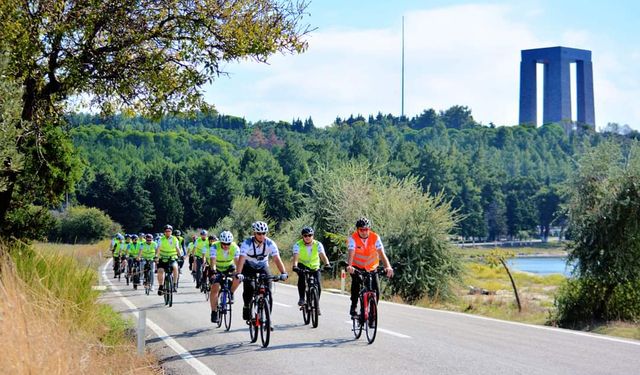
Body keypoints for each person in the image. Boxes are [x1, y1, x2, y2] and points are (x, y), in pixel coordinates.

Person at [236, 221, 288, 321]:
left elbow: (277, 259)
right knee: (249, 289)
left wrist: (283, 272)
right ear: (254, 233)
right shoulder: (247, 243)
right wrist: (239, 273)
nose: (261, 236)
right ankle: (246, 306)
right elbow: (241, 259)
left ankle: (268, 320)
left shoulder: (270, 243)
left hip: (263, 266)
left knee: (268, 292)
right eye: (259, 233)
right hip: (248, 267)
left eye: (264, 233)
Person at [346, 217, 394, 317]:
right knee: (356, 284)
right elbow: (351, 252)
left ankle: (372, 313)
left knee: (376, 290)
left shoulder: (375, 237)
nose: (364, 232)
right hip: (357, 267)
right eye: (361, 230)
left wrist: (388, 267)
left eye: (366, 229)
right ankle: (354, 305)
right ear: (357, 230)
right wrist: (350, 266)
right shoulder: (353, 238)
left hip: (371, 267)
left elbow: (381, 253)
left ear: (369, 229)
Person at [292, 226, 331, 314]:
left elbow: (323, 255)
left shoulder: (318, 244)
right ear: (302, 236)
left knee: (318, 286)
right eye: (305, 236)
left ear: (313, 236)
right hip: (302, 265)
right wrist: (295, 266)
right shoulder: (298, 245)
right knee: (301, 278)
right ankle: (302, 298)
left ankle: (316, 305)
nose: (308, 237)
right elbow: (296, 257)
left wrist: (327, 264)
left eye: (310, 235)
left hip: (315, 267)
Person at [207, 230, 240, 323]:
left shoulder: (235, 247)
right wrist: (213, 272)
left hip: (229, 266)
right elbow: (212, 261)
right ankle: (214, 312)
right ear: (220, 242)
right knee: (215, 288)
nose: (226, 246)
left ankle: (231, 292)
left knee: (238, 278)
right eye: (223, 244)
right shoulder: (214, 246)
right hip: (216, 267)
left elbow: (237, 262)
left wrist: (238, 273)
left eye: (228, 244)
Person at [155, 224, 181, 296]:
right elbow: (158, 248)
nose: (168, 232)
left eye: (169, 231)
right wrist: (156, 256)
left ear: (171, 232)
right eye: (166, 231)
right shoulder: (161, 239)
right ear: (164, 232)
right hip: (162, 257)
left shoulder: (174, 239)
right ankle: (161, 286)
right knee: (160, 271)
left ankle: (175, 284)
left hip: (172, 257)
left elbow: (177, 248)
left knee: (175, 268)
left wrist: (180, 255)